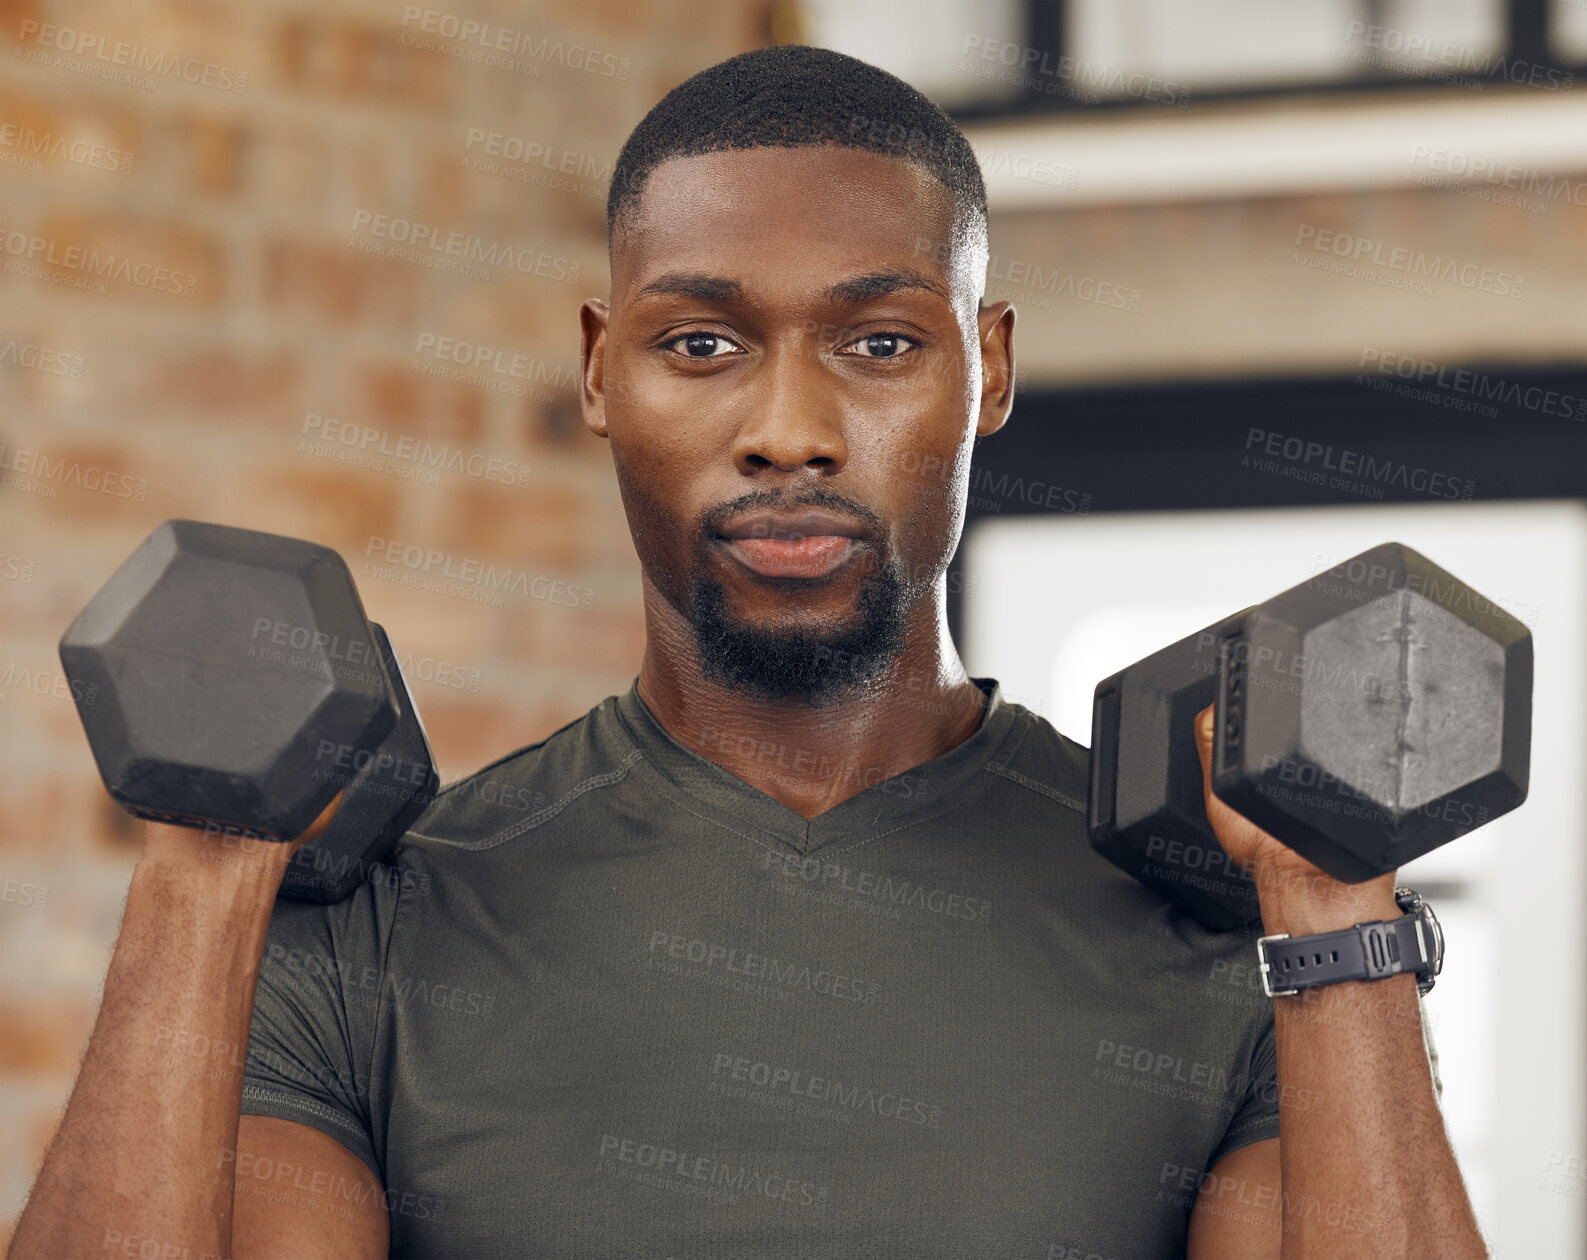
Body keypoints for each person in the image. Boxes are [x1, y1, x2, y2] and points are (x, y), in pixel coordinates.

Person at [10, 45, 1481, 1259]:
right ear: (601, 371)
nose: (788, 429)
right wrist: (202, 876)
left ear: (994, 370)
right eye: (701, 344)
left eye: (882, 344)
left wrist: (1333, 899)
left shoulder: (1241, 935)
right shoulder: (377, 935)